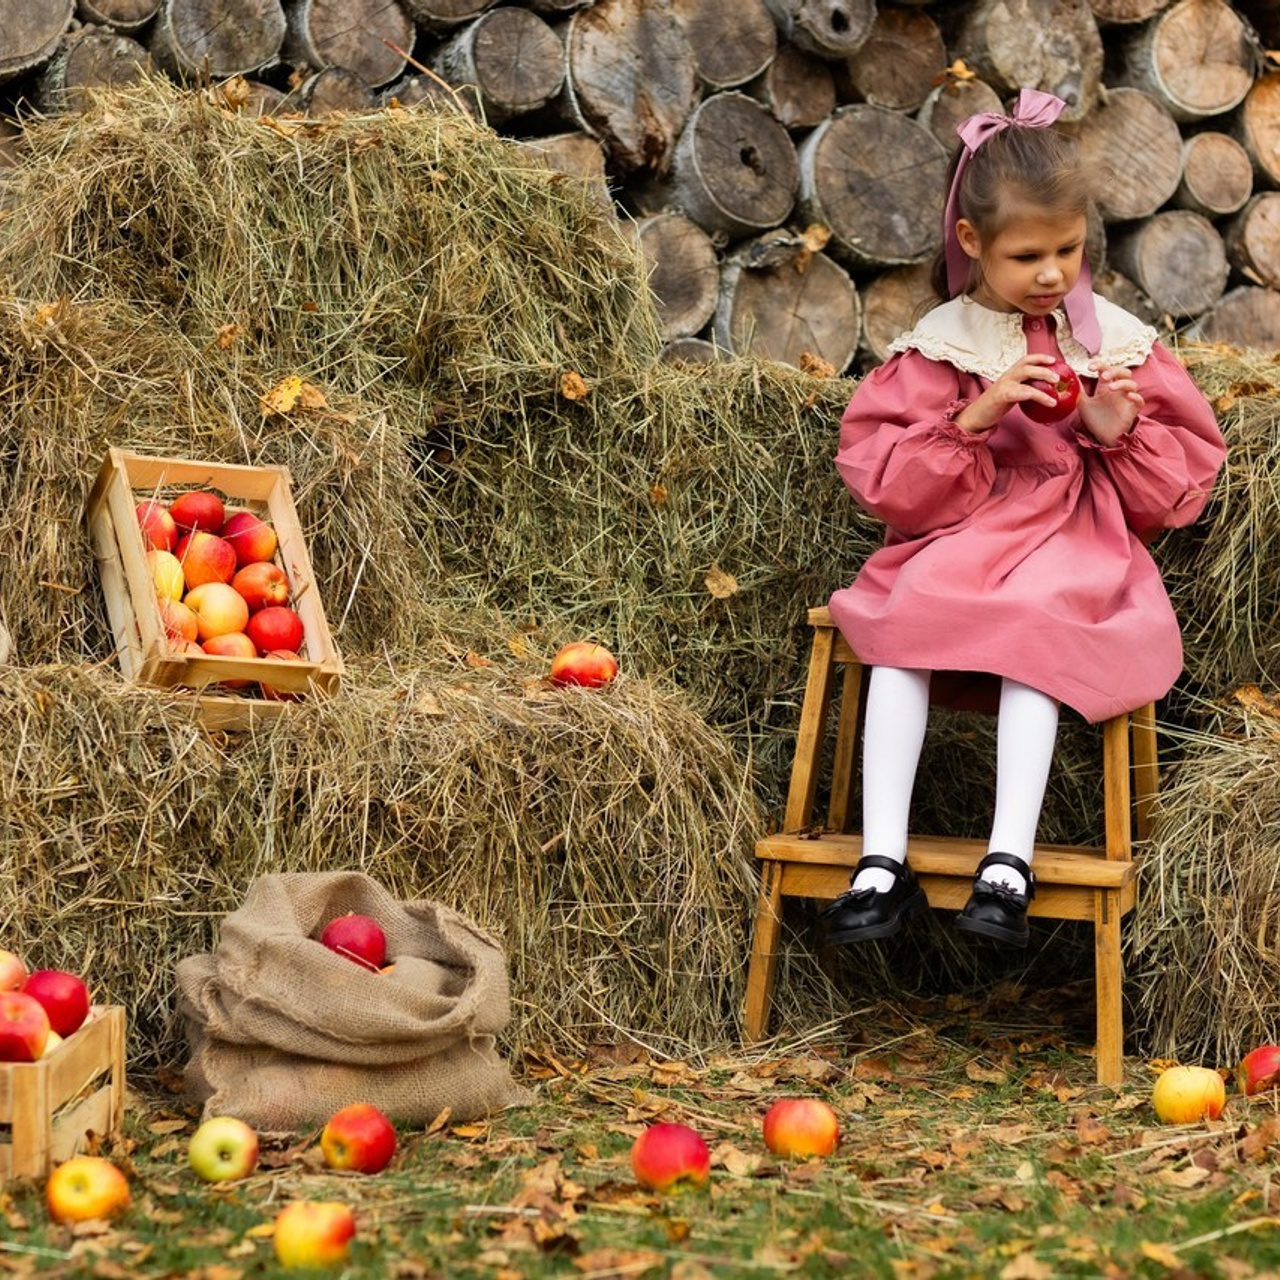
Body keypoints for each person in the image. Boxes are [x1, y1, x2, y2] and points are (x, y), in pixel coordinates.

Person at [820, 89, 1226, 948]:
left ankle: (1009, 860)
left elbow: (1172, 493)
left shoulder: (1111, 341)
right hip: (965, 535)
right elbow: (892, 484)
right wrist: (977, 414)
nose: (1052, 274)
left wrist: (1114, 433)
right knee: (905, 616)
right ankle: (881, 861)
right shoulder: (945, 342)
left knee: (1039, 616)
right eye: (1028, 255)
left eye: (1068, 251)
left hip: (1074, 536)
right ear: (972, 242)